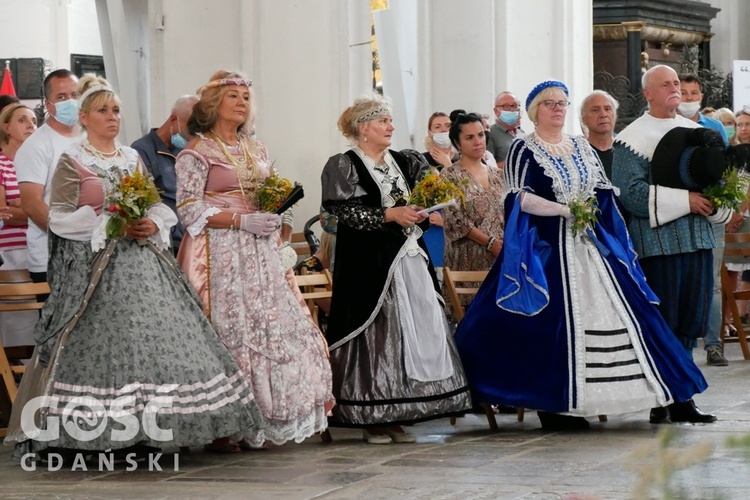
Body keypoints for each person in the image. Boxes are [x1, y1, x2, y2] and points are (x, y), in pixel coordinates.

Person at [4, 74, 263, 460]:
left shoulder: (130, 157)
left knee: (156, 340)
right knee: (109, 345)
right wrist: (110, 223)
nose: (113, 117)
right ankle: (96, 430)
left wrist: (151, 222)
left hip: (143, 262)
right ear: (86, 118)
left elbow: (156, 203)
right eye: (104, 111)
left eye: (117, 110)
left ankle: (152, 429)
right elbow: (58, 217)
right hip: (97, 269)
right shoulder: (72, 160)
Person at [454, 79, 709, 431]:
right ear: (535, 111)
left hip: (591, 245)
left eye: (562, 102)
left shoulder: (580, 146)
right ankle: (555, 407)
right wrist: (562, 210)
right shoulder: (522, 148)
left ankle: (673, 399)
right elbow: (516, 198)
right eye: (549, 103)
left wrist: (602, 216)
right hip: (544, 249)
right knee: (546, 325)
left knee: (635, 314)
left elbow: (602, 190)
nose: (558, 108)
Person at [175, 70, 334, 447]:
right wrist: (240, 220)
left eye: (246, 96)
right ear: (213, 105)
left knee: (272, 325)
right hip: (219, 250)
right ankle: (224, 425)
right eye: (233, 96)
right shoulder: (197, 150)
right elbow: (187, 208)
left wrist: (280, 218)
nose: (242, 102)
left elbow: (274, 192)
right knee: (229, 328)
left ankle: (263, 416)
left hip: (259, 250)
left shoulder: (256, 148)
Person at [321, 94, 471, 444]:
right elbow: (343, 212)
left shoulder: (406, 160)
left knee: (411, 328)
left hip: (408, 255)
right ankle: (372, 415)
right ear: (363, 128)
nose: (391, 127)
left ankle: (397, 413)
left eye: (390, 121)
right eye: (383, 121)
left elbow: (434, 188)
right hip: (367, 262)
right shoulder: (344, 164)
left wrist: (425, 205)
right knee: (377, 333)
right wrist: (389, 214)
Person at [612, 65, 724, 423]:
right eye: (665, 84)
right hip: (658, 245)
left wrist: (717, 201)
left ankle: (681, 397)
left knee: (692, 320)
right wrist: (686, 201)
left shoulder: (699, 132)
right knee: (665, 322)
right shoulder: (631, 138)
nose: (675, 88)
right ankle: (664, 399)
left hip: (699, 241)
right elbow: (630, 194)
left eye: (677, 83)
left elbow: (719, 183)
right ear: (647, 93)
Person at [677, 73, 731, 367]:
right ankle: (680, 345)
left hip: (711, 209)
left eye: (693, 93)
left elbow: (723, 168)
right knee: (683, 280)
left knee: (711, 283)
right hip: (680, 211)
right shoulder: (671, 126)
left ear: (701, 96)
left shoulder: (715, 127)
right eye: (683, 93)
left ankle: (713, 344)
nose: (687, 98)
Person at [15, 69, 80, 290]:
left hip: (89, 254)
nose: (70, 102)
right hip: (51, 256)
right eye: (61, 97)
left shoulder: (88, 138)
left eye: (75, 95)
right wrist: (71, 237)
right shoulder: (36, 145)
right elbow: (32, 205)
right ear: (48, 104)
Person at [441, 112, 504, 317]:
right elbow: (456, 221)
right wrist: (489, 242)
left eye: (480, 135)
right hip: (467, 259)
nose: (478, 141)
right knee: (471, 325)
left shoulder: (499, 175)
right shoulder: (449, 175)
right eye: (469, 137)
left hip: (499, 259)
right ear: (457, 144)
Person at [131, 95, 198, 253]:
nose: (192, 136)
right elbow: (147, 203)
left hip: (190, 237)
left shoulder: (187, 151)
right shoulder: (142, 150)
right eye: (190, 129)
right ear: (173, 119)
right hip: (166, 241)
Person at [0, 103, 35, 347]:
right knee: (16, 316)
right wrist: (34, 207)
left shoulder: (37, 162)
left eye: (34, 120)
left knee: (36, 313)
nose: (31, 125)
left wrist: (20, 204)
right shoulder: (1, 163)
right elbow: (4, 214)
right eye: (22, 120)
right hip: (10, 251)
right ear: (6, 127)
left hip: (37, 247)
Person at [421, 111, 455, 271]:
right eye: (438, 127)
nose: (443, 131)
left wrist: (448, 165)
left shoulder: (462, 159)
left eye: (447, 126)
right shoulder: (420, 160)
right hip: (431, 226)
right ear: (430, 132)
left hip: (457, 228)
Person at [580, 90, 618, 179]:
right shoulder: (578, 153)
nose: (603, 115)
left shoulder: (625, 150)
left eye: (607, 109)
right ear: (583, 119)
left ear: (615, 115)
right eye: (595, 110)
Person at [487, 91, 525, 168]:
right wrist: (515, 162)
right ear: (496, 111)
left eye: (514, 105)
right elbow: (487, 167)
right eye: (506, 106)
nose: (512, 109)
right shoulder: (490, 133)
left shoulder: (520, 132)